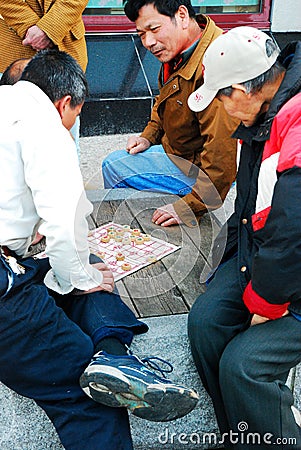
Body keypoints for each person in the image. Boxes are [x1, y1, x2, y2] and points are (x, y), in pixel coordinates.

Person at [0, 49, 199, 450]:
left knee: (87, 267)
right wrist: (78, 277)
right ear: (65, 102)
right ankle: (110, 362)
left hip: (13, 257)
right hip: (6, 288)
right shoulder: (47, 125)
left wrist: (74, 269)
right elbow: (64, 217)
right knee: (89, 396)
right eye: (77, 116)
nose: (73, 125)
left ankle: (114, 355)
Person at [187, 26, 301, 449]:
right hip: (265, 259)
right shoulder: (264, 112)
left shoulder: (294, 121)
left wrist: (265, 304)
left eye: (221, 98)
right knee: (206, 322)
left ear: (241, 90)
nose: (222, 108)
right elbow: (250, 208)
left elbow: (293, 233)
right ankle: (242, 434)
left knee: (243, 365)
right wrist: (227, 268)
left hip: (291, 273)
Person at [102, 0, 238, 228]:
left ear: (182, 16)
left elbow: (222, 159)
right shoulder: (182, 50)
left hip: (200, 169)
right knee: (118, 163)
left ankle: (126, 236)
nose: (148, 42)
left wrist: (188, 208)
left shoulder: (215, 63)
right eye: (141, 34)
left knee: (114, 167)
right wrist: (148, 136)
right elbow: (164, 103)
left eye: (154, 29)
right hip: (181, 153)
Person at [0, 0, 89, 154]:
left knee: (65, 145)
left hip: (64, 43)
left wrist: (49, 28)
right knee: (10, 142)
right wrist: (31, 29)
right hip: (14, 49)